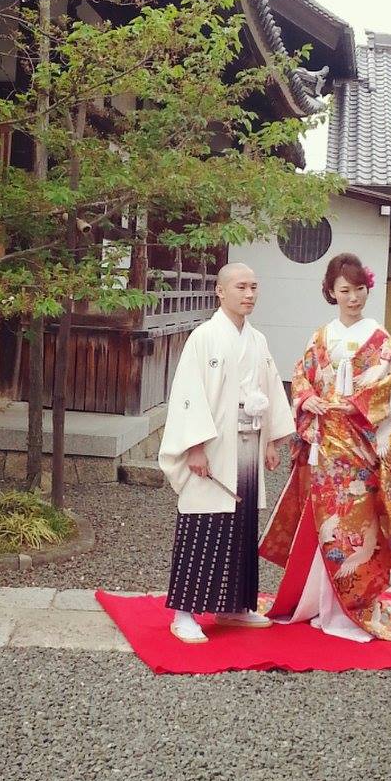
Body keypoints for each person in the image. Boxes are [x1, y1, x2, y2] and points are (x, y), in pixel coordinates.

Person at [260, 251, 391, 644]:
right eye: (345, 290)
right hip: (325, 445)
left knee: (356, 522)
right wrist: (306, 401)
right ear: (331, 292)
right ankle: (316, 603)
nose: (353, 297)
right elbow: (301, 375)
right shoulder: (321, 336)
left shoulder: (380, 338)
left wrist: (354, 404)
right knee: (325, 519)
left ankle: (353, 605)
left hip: (360, 446)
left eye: (359, 289)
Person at [158, 263, 295, 643]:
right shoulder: (204, 337)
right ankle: (184, 613)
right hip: (214, 445)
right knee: (203, 525)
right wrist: (195, 447)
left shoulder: (258, 341)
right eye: (241, 287)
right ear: (220, 292)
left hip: (247, 445)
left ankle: (233, 606)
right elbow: (188, 394)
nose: (249, 294)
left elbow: (270, 390)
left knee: (241, 525)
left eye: (254, 287)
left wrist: (270, 441)